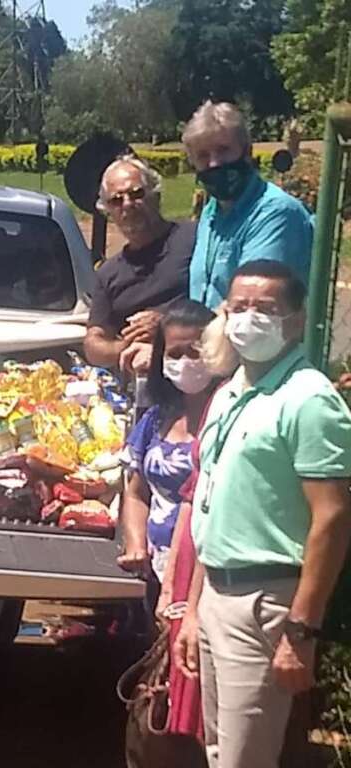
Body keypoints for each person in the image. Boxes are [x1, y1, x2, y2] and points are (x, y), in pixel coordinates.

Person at [174, 260, 351, 768]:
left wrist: (301, 630)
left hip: (265, 602)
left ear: (295, 321)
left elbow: (333, 518)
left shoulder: (309, 400)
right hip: (216, 595)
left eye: (266, 309)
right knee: (216, 751)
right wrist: (193, 610)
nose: (249, 319)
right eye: (240, 306)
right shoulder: (232, 390)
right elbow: (214, 505)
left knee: (244, 760)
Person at [117, 300, 218, 588]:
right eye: (174, 354)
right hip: (157, 570)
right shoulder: (155, 420)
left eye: (194, 352)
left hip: (205, 575)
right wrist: (136, 546)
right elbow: (136, 493)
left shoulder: (229, 420)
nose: (185, 361)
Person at [183, 102, 314, 310]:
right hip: (208, 340)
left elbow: (250, 309)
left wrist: (184, 335)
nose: (214, 163)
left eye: (223, 150)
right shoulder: (211, 213)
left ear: (247, 151)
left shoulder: (276, 213)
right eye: (203, 156)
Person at [86, 156, 196, 374]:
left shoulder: (195, 239)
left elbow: (220, 303)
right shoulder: (108, 273)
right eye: (116, 201)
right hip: (140, 385)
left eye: (136, 194)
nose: (127, 205)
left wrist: (167, 326)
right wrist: (129, 347)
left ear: (155, 195)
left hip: (195, 372)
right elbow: (93, 345)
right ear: (108, 211)